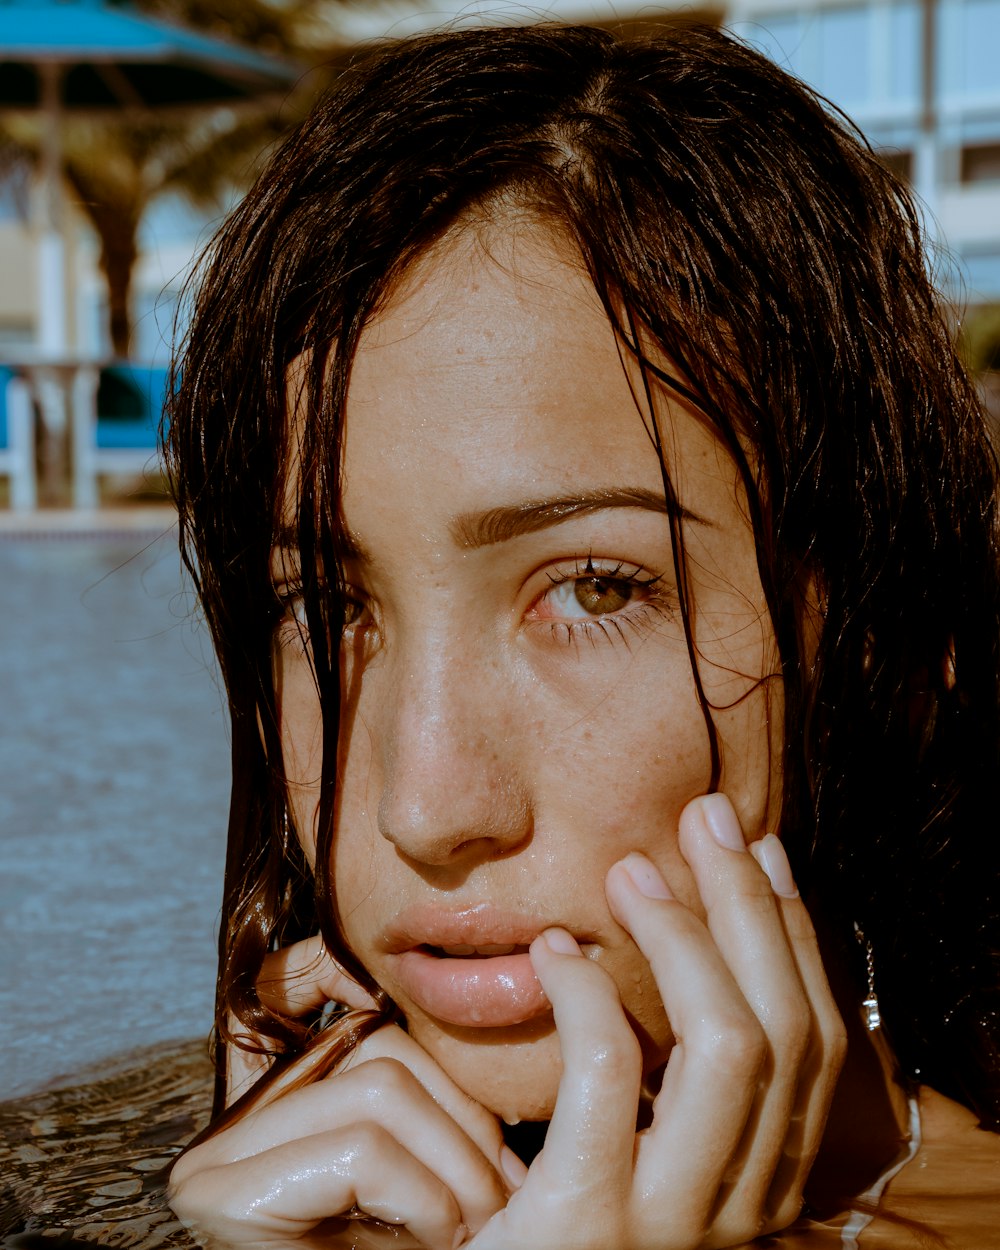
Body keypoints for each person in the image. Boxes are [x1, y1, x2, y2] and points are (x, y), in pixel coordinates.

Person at [164, 22, 1000, 1249]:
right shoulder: (240, 1190)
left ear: (872, 649)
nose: (426, 804)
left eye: (594, 590)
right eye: (325, 608)